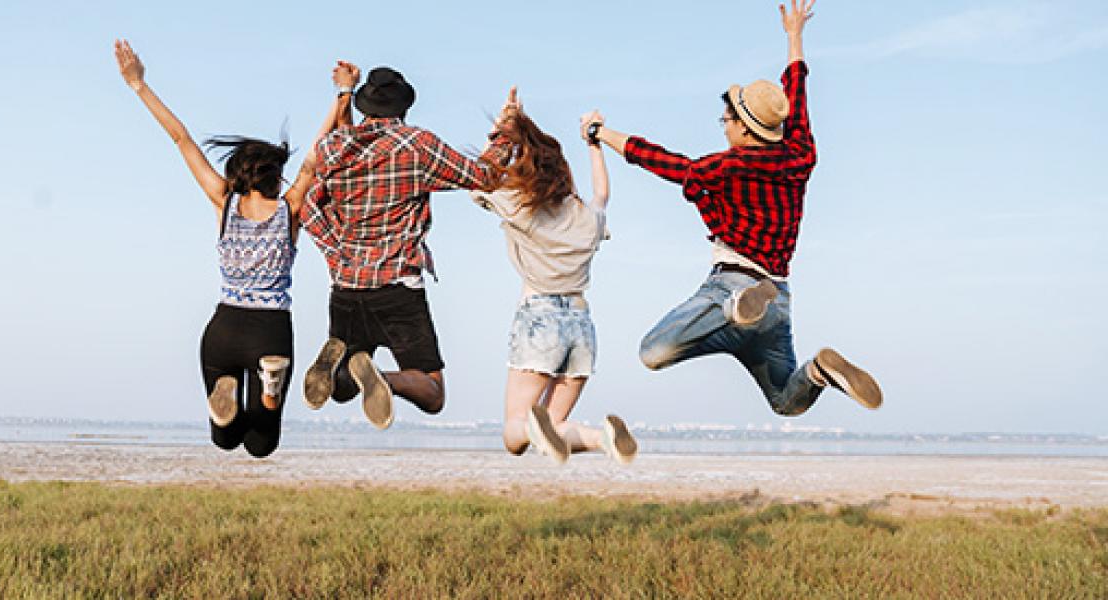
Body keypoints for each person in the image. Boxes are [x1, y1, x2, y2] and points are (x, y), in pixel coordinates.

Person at [582, 1, 883, 419]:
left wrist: (599, 133)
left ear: (743, 127)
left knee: (652, 352)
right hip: (777, 298)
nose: (722, 124)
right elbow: (796, 94)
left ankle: (735, 308)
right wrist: (795, 37)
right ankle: (816, 372)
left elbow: (661, 161)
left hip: (733, 284)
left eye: (725, 118)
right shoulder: (799, 154)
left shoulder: (727, 166)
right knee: (784, 402)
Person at [114, 40, 350, 457]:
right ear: (276, 177)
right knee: (262, 444)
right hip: (271, 330)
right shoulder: (289, 209)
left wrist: (139, 85)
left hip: (223, 329)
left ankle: (225, 398)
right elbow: (315, 158)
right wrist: (342, 95)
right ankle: (270, 391)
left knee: (225, 439)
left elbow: (181, 139)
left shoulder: (224, 204)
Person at [298, 65, 512, 430]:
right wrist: (506, 133)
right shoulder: (417, 146)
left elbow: (307, 206)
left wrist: (335, 253)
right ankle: (385, 378)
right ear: (404, 108)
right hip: (397, 288)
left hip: (346, 288)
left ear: (365, 105)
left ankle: (340, 368)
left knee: (341, 389)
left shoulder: (332, 147)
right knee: (433, 393)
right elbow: (485, 177)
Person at [470, 89, 636, 465]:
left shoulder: (521, 209)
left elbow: (479, 176)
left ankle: (532, 427)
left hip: (539, 318)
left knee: (515, 433)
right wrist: (594, 145)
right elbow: (602, 194)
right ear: (564, 171)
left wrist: (503, 127)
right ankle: (600, 437)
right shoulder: (586, 219)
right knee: (556, 423)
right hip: (581, 326)